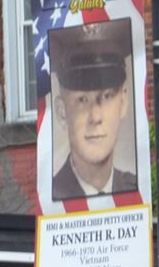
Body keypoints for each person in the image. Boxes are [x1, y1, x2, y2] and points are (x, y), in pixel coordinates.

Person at [45, 21, 141, 205]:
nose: (95, 117)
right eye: (82, 100)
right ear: (62, 112)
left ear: (123, 101)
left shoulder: (133, 187)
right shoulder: (53, 194)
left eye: (106, 96)